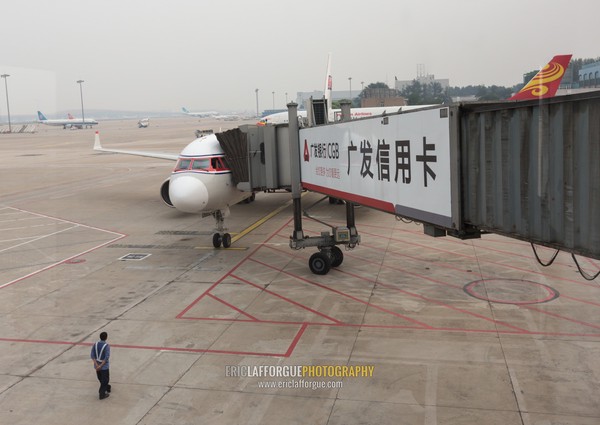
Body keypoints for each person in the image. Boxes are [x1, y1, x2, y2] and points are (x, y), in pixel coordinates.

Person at [91, 331, 111, 400]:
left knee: (100, 378)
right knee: (105, 380)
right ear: (106, 338)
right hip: (104, 367)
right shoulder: (106, 346)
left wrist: (97, 365)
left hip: (97, 366)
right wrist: (101, 365)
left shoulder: (95, 344)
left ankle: (107, 387)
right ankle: (102, 394)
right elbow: (106, 357)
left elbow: (92, 355)